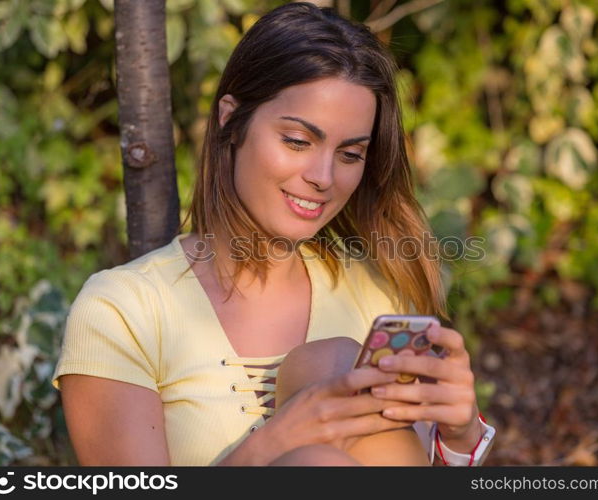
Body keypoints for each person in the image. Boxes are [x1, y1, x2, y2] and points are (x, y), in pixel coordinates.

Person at [51, 2, 495, 466]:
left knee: (331, 362)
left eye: (349, 154)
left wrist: (460, 436)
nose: (323, 176)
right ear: (231, 119)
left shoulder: (377, 294)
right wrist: (281, 440)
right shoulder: (124, 310)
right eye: (298, 141)